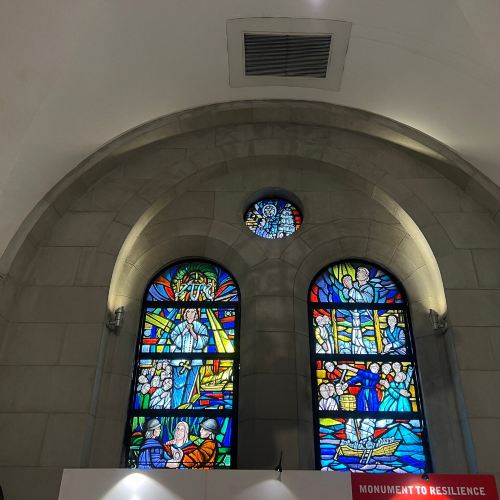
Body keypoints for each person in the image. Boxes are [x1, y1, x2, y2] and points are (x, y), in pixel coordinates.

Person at [159, 309, 209, 408]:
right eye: (188, 312)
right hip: (178, 362)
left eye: (193, 312)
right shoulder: (179, 326)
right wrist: (184, 332)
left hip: (194, 362)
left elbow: (203, 342)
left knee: (190, 386)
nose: (190, 314)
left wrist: (192, 332)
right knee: (177, 386)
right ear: (185, 314)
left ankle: (186, 408)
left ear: (196, 314)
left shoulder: (201, 327)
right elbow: (174, 338)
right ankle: (175, 408)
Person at [341, 267, 375, 354]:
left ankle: (364, 350)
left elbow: (362, 300)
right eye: (358, 271)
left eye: (360, 272)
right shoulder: (355, 284)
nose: (357, 273)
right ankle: (355, 349)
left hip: (364, 317)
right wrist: (345, 285)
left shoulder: (369, 288)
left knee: (364, 336)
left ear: (366, 277)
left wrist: (350, 287)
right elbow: (346, 296)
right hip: (352, 315)